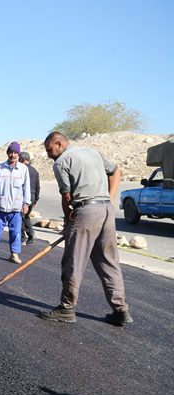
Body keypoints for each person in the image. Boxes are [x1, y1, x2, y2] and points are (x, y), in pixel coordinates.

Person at [38, 131, 131, 326]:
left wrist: (68, 223)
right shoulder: (93, 152)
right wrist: (110, 198)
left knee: (74, 261)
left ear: (59, 143)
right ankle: (121, 310)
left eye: (49, 149)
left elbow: (67, 197)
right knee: (109, 263)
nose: (48, 154)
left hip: (87, 211)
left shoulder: (61, 162)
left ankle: (66, 308)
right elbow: (115, 171)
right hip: (106, 210)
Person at [0, 141, 31, 263]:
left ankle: (14, 254)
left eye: (15, 153)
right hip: (1, 206)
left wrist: (26, 203)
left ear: (18, 154)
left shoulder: (23, 169)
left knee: (16, 232)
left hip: (16, 207)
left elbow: (26, 188)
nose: (13, 155)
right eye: (10, 152)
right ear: (7, 153)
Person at [19, 151, 40, 244]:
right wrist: (36, 199)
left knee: (20, 216)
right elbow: (38, 186)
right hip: (32, 195)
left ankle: (22, 237)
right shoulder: (35, 171)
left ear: (22, 159)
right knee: (26, 216)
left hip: (24, 195)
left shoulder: (22, 169)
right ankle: (31, 234)